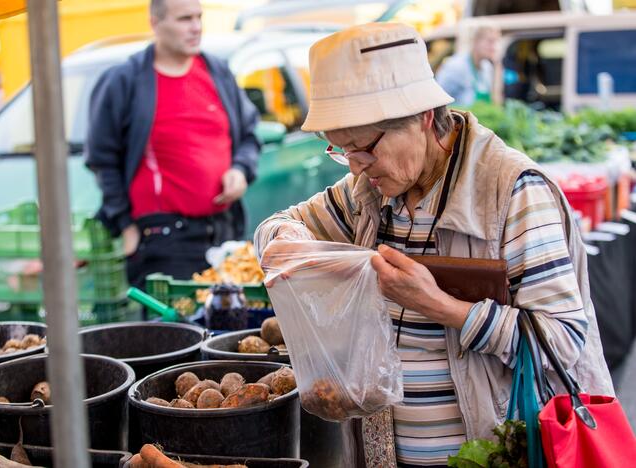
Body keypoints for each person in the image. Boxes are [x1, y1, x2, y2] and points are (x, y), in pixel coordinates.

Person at [255, 23, 613, 467]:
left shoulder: (512, 193)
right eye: (340, 150)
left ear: (423, 117)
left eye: (364, 148)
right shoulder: (367, 192)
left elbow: (562, 344)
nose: (356, 167)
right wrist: (289, 243)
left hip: (496, 454)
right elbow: (275, 229)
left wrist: (441, 305)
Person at [85, 0, 260, 291]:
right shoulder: (125, 81)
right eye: (184, 19)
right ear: (155, 22)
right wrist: (125, 225)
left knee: (229, 330)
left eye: (199, 17)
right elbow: (102, 158)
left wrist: (240, 170)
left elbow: (250, 134)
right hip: (163, 240)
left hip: (224, 229)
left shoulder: (217, 71)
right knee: (175, 334)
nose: (196, 27)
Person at [435, 23, 500, 106]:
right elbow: (439, 101)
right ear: (475, 41)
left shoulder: (487, 67)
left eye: (496, 41)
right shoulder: (455, 66)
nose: (494, 47)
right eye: (490, 41)